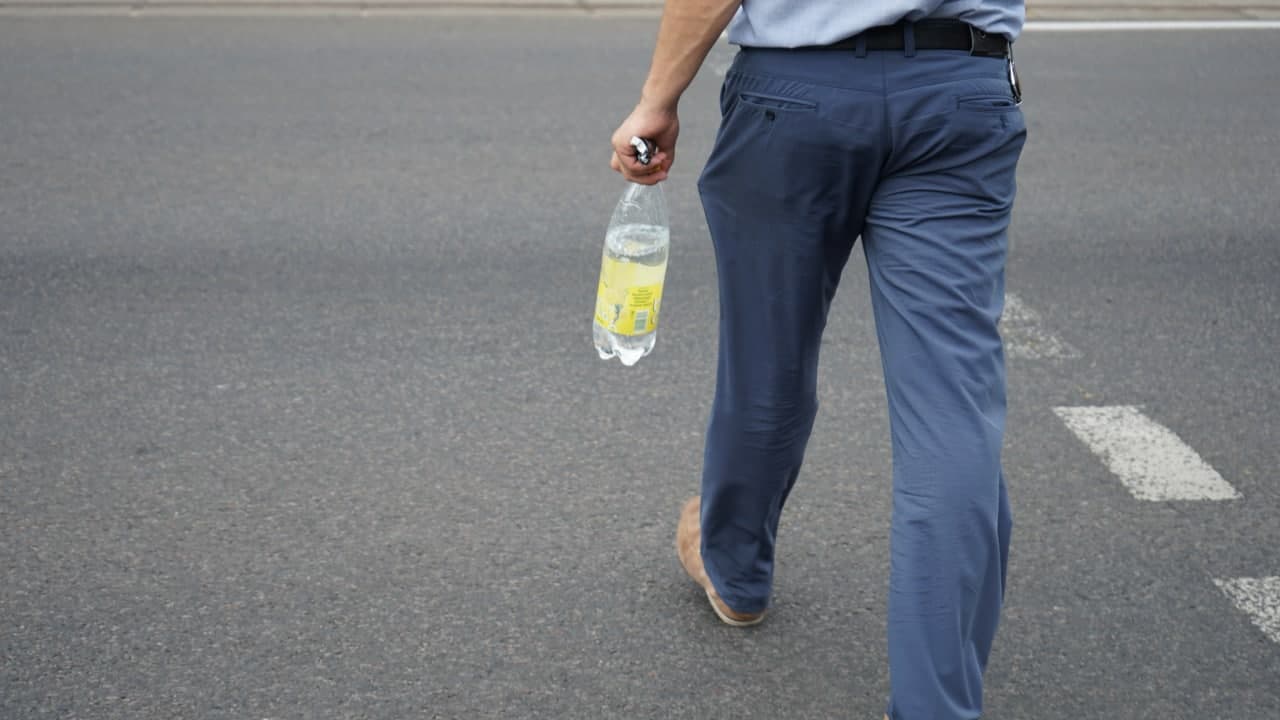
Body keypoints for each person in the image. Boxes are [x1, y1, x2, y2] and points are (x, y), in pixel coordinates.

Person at [609, 0, 1026, 718]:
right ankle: (937, 708)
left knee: (765, 364)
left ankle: (735, 570)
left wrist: (656, 99)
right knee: (953, 418)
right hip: (958, 87)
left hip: (794, 95)